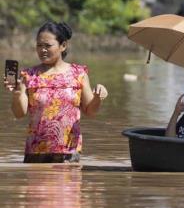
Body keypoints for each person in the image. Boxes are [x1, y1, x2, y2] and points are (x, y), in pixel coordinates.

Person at [3, 21, 108, 163]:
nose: (42, 50)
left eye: (47, 46)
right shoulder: (28, 75)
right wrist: (17, 93)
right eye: (39, 45)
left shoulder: (78, 74)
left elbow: (90, 111)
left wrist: (97, 97)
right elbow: (19, 113)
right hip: (36, 152)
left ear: (63, 46)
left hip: (69, 152)